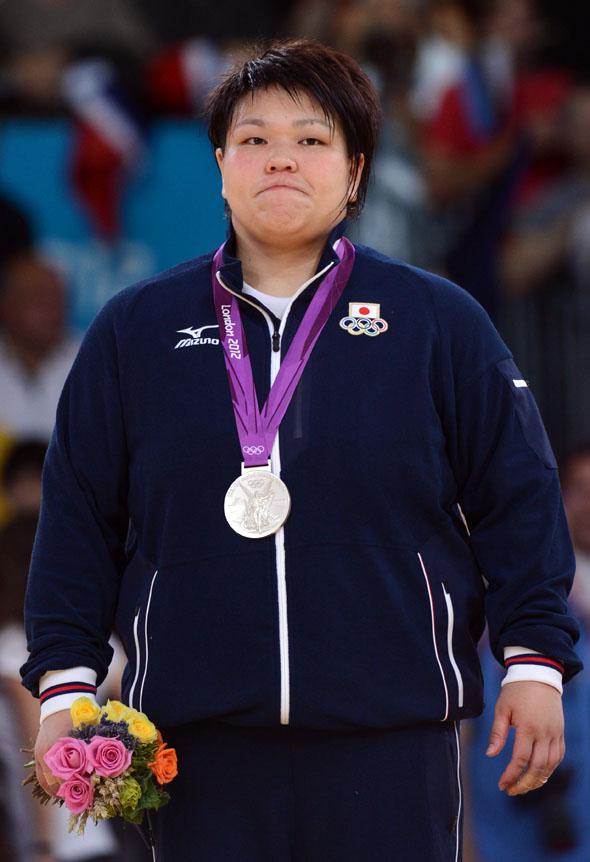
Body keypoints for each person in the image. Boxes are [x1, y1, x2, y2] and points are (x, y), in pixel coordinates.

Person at [21, 40, 581, 861]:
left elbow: (519, 499)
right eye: (254, 140)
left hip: (391, 736)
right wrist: (64, 687)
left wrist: (533, 665)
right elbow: (77, 518)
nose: (280, 158)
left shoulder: (437, 321)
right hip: (195, 747)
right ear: (220, 167)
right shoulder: (134, 330)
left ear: (354, 172)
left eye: (311, 140)